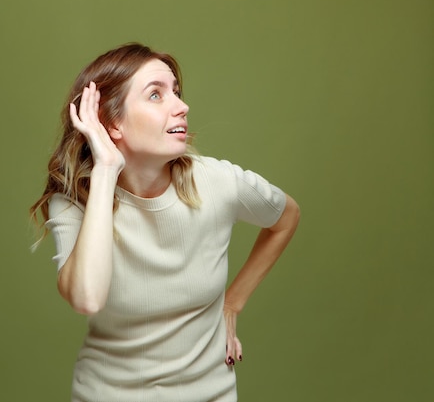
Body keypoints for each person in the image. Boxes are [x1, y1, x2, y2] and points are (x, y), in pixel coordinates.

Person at [30, 43, 300, 402]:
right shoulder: (75, 201)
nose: (181, 106)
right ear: (113, 124)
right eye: (156, 95)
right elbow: (87, 298)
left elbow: (286, 216)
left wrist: (232, 304)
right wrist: (107, 169)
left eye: (176, 91)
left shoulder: (218, 182)